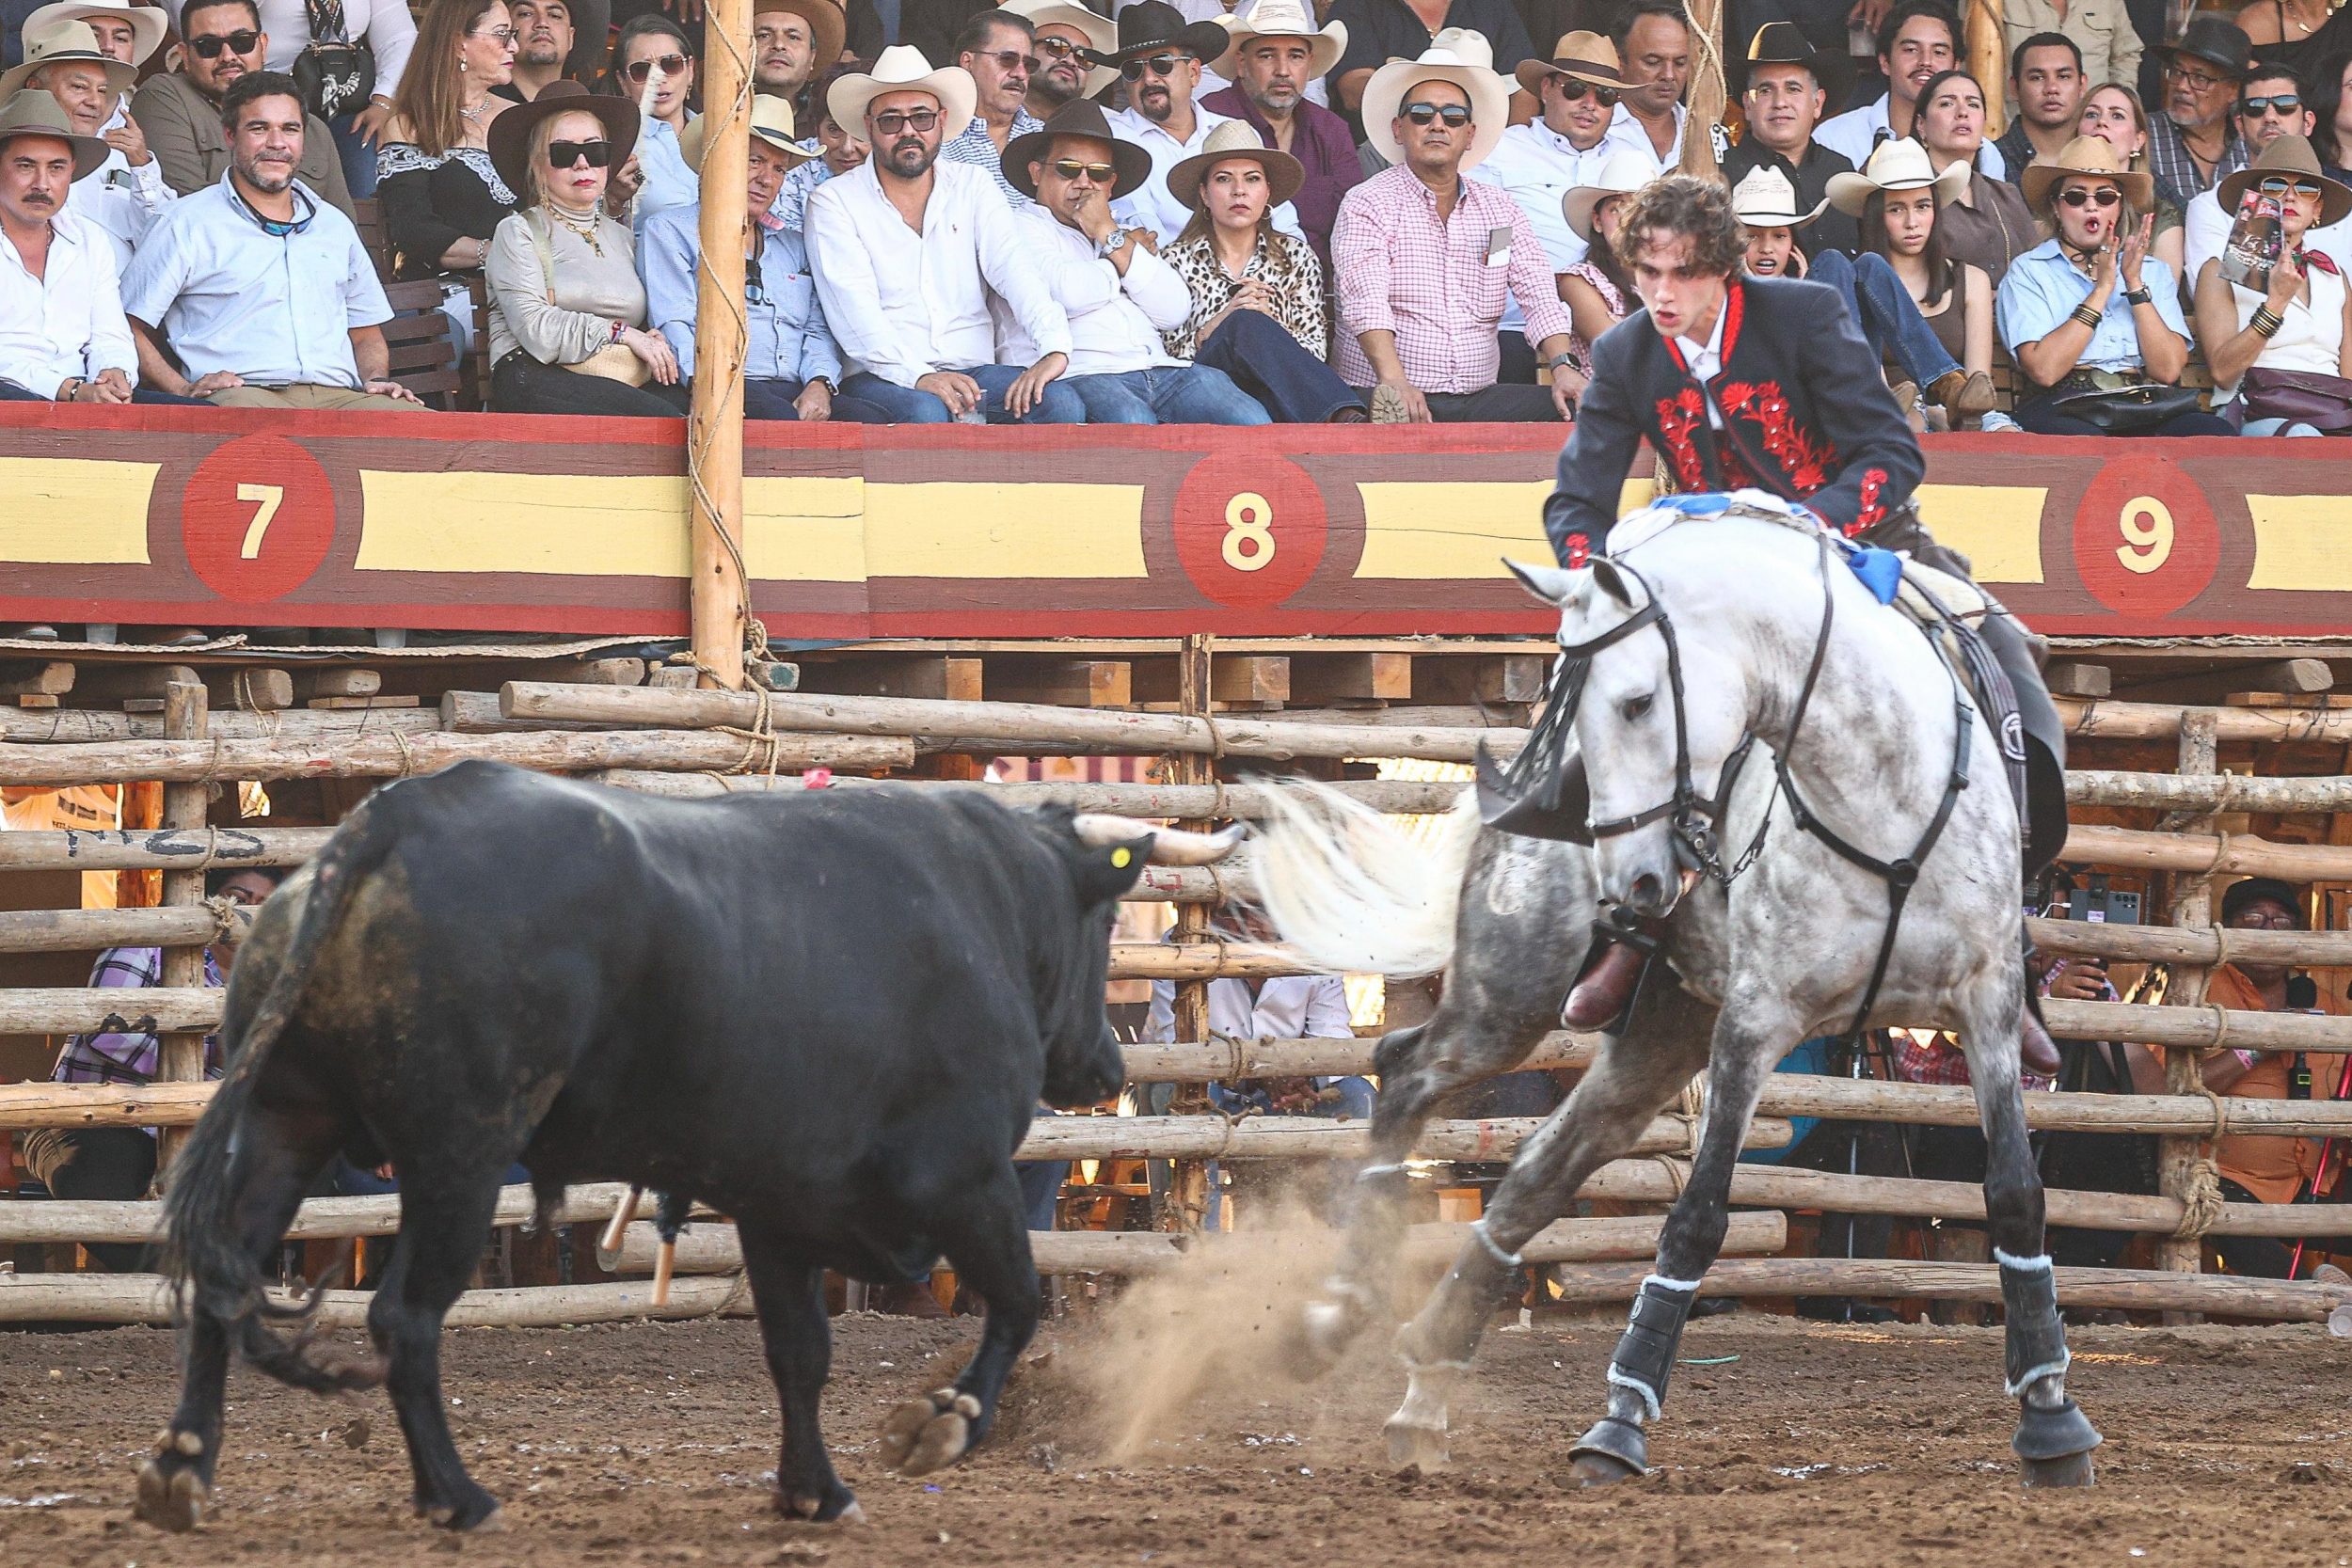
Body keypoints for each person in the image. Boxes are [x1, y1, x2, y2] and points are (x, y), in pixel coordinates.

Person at [1537, 173, 2071, 1041]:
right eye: (1647, 273)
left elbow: (1891, 453)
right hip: (1714, 581)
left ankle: (2007, 941)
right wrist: (1595, 584)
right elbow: (1577, 500)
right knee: (1612, 704)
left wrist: (1806, 531)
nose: (1662, 294)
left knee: (2011, 675)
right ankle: (1630, 927)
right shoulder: (1628, 350)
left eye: (1682, 273)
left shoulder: (1806, 313)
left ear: (1723, 268)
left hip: (1862, 544)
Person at [17, 865, 282, 1274]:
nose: (249, 912)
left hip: (200, 1132)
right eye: (238, 898)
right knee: (105, 1175)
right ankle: (170, 1286)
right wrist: (213, 1050)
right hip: (89, 1119)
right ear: (211, 903)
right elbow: (108, 1034)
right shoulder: (145, 949)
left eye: (265, 905)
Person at [805, 46, 1083, 422]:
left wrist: (1054, 347)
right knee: (927, 412)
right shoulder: (833, 200)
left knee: (1060, 403)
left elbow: (1014, 269)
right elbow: (854, 315)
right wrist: (919, 376)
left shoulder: (973, 184)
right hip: (882, 375)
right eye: (891, 121)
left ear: (942, 120)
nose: (908, 131)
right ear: (869, 127)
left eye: (921, 117)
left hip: (972, 371)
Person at [120, 70, 422, 407]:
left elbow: (365, 332)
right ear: (230, 135)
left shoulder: (333, 224)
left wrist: (376, 380)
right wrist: (181, 391)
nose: (277, 143)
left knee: (423, 429)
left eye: (290, 129)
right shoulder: (185, 222)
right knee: (256, 428)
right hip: (245, 394)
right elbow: (127, 325)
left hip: (340, 398)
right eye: (259, 128)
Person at [1332, 42, 1576, 421]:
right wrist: (1394, 382)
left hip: (1478, 396)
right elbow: (1366, 301)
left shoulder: (1500, 209)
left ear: (1470, 134)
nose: (1438, 125)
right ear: (1398, 129)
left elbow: (1539, 293)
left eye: (1454, 117)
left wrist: (1563, 367)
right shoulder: (1368, 202)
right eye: (1421, 114)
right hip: (1385, 397)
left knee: (1582, 409)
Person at [2126, 878, 2350, 1280]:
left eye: (2282, 922)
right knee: (2223, 1216)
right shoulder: (2195, 995)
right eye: (2254, 919)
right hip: (2223, 1176)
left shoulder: (2325, 1003)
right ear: (2227, 929)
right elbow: (2163, 1092)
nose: (2269, 931)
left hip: (2318, 1177)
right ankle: (2314, 1296)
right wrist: (2257, 1047)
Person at [1001, 97, 1266, 424]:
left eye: (1098, 173)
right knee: (1133, 422)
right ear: (1036, 173)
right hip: (1083, 372)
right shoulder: (1016, 226)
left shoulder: (1118, 232)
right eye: (1068, 169)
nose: (1084, 183)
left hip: (1161, 369)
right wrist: (1120, 256)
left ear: (1111, 185)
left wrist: (1108, 234)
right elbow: (1067, 292)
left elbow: (1174, 309)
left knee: (1249, 418)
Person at [644, 95, 877, 421]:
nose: (767, 179)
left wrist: (820, 383)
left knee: (874, 420)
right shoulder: (670, 230)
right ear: (719, 161)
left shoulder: (793, 244)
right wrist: (709, 387)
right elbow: (674, 322)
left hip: (794, 385)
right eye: (755, 161)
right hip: (722, 385)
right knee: (780, 420)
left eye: (779, 168)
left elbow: (817, 328)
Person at [1995, 134, 2232, 435]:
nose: (2091, 207)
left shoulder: (2151, 271)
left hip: (2140, 404)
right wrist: (2102, 290)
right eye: (2076, 197)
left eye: (2105, 197)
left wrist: (2134, 285)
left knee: (2213, 433)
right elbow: (2044, 370)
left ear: (2119, 206)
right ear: (2056, 207)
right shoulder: (2029, 270)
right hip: (2063, 404)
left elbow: (2168, 370)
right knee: (2089, 445)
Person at [482, 78, 685, 413]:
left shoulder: (623, 236)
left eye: (595, 151)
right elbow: (535, 328)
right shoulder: (518, 231)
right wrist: (622, 333)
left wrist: (652, 336)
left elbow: (643, 321)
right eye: (563, 153)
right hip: (536, 373)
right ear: (537, 165)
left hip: (616, 375)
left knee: (706, 412)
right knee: (663, 420)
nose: (582, 163)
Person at [1160, 117, 1364, 421]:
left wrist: (1270, 330)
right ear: (1204, 194)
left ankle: (1346, 419)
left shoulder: (1295, 256)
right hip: (1201, 391)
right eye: (1224, 179)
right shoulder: (1175, 260)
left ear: (1267, 192)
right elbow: (1165, 363)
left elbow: (1314, 353)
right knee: (1244, 322)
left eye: (1252, 179)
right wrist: (1219, 324)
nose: (1239, 191)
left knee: (1253, 329)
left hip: (1274, 393)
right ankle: (1344, 417)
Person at [1471, 30, 1628, 382]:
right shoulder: (1502, 150)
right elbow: (1487, 244)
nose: (1590, 104)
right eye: (1576, 89)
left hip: (1614, 322)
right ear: (1546, 89)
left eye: (1605, 95)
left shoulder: (1631, 156)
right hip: (1518, 326)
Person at [375, 0, 516, 366]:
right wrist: (496, 252)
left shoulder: (522, 120)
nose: (514, 46)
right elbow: (414, 230)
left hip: (531, 290)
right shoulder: (408, 126)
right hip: (454, 295)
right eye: (502, 35)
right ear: (458, 44)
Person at [1095, 2, 1300, 246]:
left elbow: (1282, 223)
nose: (1149, 78)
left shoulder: (1233, 131)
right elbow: (1144, 235)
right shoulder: (1111, 139)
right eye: (1133, 69)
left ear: (1194, 72)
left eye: (1162, 64)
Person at [1821, 136, 1996, 422]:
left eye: (1922, 206)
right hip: (1884, 409)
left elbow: (1980, 387)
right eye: (1896, 209)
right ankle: (1942, 385)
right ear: (1875, 216)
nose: (1912, 222)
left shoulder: (1971, 279)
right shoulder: (1851, 280)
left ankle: (1951, 387)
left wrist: (1940, 414)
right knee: (1856, 264)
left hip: (1952, 416)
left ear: (1936, 211)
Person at [131, 0, 355, 218]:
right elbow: (190, 209)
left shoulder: (313, 129)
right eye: (208, 46)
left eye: (242, 42)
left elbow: (341, 226)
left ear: (263, 45)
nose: (228, 56)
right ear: (185, 55)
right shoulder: (164, 97)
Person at [2192, 135, 2352, 434]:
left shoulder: (2334, 276)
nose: (2290, 197)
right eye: (2275, 186)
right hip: (2255, 412)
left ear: (2317, 210)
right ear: (2254, 199)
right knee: (2303, 436)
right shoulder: (2220, 270)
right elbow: (2223, 373)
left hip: (2333, 416)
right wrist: (2275, 303)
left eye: (2306, 189)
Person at [0, 88, 151, 404]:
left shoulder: (89, 239)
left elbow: (110, 333)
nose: (42, 184)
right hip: (12, 391)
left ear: (71, 171)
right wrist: (66, 390)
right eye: (26, 166)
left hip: (81, 389)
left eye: (56, 168)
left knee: (202, 415)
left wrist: (113, 372)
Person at [1198, 0, 1359, 266]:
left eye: (1295, 56)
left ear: (1310, 64)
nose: (1283, 71)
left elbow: (1353, 228)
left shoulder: (1331, 130)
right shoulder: (1208, 119)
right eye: (1267, 56)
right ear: (1241, 63)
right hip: (1222, 279)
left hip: (1315, 283)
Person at [6, 19, 167, 271]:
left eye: (102, 90)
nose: (95, 102)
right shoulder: (5, 153)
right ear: (35, 88)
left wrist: (141, 166)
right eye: (79, 87)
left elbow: (164, 238)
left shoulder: (123, 152)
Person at [2185, 64, 2352, 283]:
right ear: (2240, 126)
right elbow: (2214, 293)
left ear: (2308, 122)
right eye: (2255, 108)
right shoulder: (2210, 206)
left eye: (2285, 105)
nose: (2270, 117)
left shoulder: (2342, 201)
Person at [1816, 0, 2006, 179]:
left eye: (1939, 52)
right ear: (1885, 62)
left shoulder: (1984, 154)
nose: (1925, 61)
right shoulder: (1835, 138)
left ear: (1955, 67)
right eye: (1911, 50)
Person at [1720, 20, 1859, 258]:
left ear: (1818, 102)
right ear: (1747, 105)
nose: (1780, 102)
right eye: (1765, 90)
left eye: (1793, 89)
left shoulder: (1840, 172)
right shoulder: (1722, 175)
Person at [254, 0, 420, 199]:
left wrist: (383, 100)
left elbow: (398, 37)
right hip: (271, 96)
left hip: (348, 98)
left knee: (364, 177)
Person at [1914, 67, 2039, 285]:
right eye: (1947, 103)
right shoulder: (1908, 191)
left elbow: (2034, 268)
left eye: (1973, 104)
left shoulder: (2006, 195)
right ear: (1921, 125)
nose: (1962, 112)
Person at [1325, 0, 1535, 119]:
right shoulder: (1357, 5)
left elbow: (1523, 89)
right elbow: (1353, 88)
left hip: (1485, 147)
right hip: (1386, 148)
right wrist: (1423, 119)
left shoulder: (1492, 6)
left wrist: (1504, 150)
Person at [1557, 148, 1645, 390]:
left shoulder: (1675, 278)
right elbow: (1620, 351)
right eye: (1616, 208)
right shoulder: (1578, 280)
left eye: (1641, 209)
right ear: (1597, 221)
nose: (1628, 220)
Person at [2076, 81, 2187, 274]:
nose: (2101, 122)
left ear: (2138, 140)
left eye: (2117, 116)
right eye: (2091, 114)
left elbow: (2162, 293)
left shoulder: (2161, 218)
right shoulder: (2053, 210)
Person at [2146, 14, 2252, 208]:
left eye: (2200, 78)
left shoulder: (2248, 148)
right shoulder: (2142, 134)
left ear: (2234, 90)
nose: (2182, 86)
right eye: (2177, 72)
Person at [939, 8, 1041, 204]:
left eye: (1028, 64)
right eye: (1007, 59)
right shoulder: (935, 137)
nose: (1020, 73)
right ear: (967, 62)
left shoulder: (1047, 139)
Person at [609, 12, 694, 234]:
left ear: (690, 71)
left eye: (671, 64)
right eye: (641, 70)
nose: (659, 78)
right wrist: (614, 201)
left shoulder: (720, 132)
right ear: (623, 83)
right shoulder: (614, 146)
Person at [772, 57, 863, 229]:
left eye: (860, 132)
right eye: (834, 130)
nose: (847, 148)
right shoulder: (789, 171)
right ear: (816, 128)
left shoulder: (902, 167)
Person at [1608, 0, 1689, 169]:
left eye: (1680, 63)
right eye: (1653, 62)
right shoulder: (1593, 128)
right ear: (1619, 61)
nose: (1668, 75)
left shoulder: (1704, 130)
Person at [1994, 32, 2089, 176]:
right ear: (2014, 88)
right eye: (2037, 78)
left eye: (2063, 77)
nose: (2052, 88)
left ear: (2082, 85)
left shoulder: (2101, 156)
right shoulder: (1988, 160)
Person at [2000, 0, 2140, 93]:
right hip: (2018, 122)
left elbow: (2125, 55)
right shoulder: (2000, 3)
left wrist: (2117, 101)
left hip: (2092, 123)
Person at [1006, 0, 1113, 121]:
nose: (1071, 61)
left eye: (1083, 57)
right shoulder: (989, 115)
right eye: (1057, 46)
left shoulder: (1104, 128)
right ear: (1025, 52)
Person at [751, 0, 845, 108]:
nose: (779, 44)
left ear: (812, 57)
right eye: (764, 36)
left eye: (793, 37)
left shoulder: (827, 118)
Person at [496, 0, 582, 103]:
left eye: (555, 15)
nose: (542, 23)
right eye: (526, 14)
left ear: (571, 37)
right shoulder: (482, 104)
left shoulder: (585, 105)